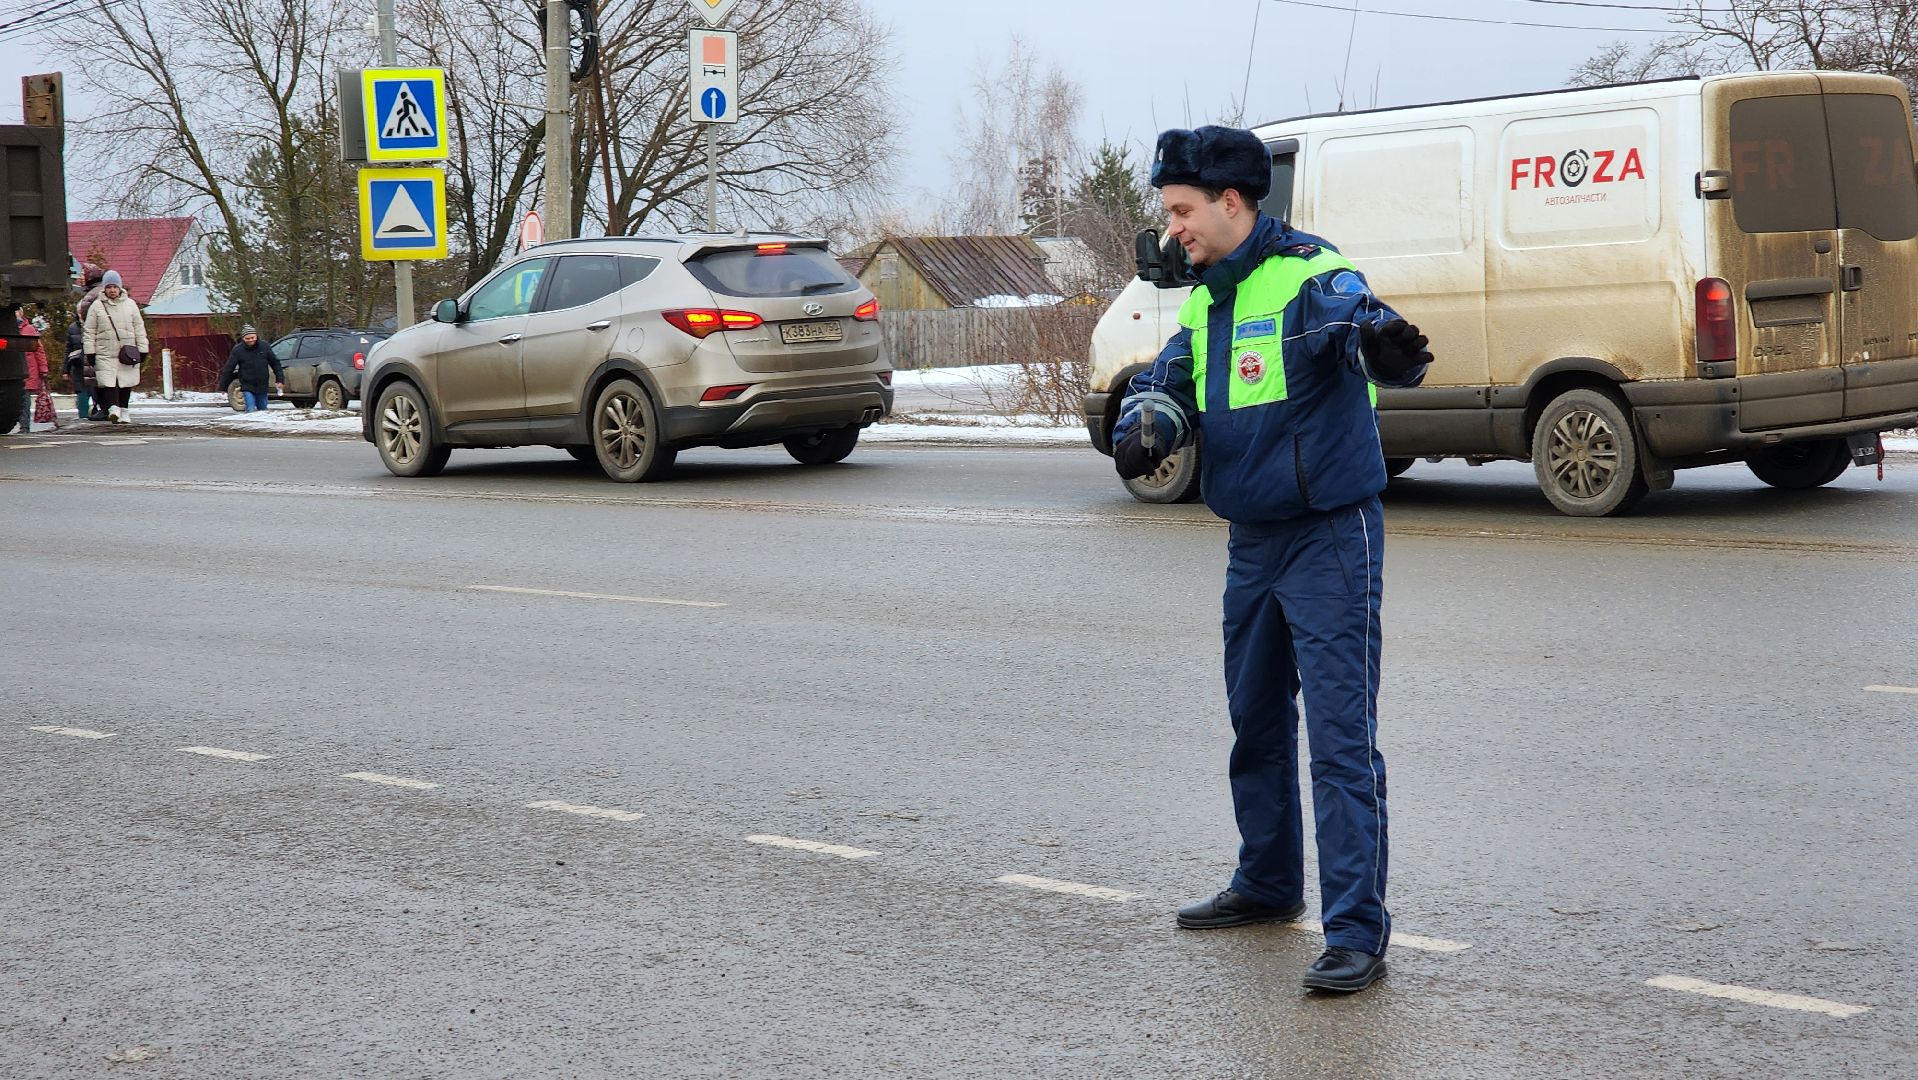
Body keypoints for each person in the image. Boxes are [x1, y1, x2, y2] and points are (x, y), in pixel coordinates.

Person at [1112, 126, 1433, 994]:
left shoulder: (1311, 274)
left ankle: (1357, 931)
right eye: (1168, 212)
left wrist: (1384, 349)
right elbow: (1164, 385)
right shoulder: (1207, 301)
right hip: (1251, 541)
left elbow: (1362, 327)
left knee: (1338, 742)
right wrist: (1142, 427)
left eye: (1182, 210)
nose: (1173, 226)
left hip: (1330, 534)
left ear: (1231, 201)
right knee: (1255, 722)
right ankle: (1266, 883)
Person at [82, 269, 148, 424]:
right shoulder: (97, 306)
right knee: (109, 382)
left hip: (126, 352)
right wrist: (90, 352)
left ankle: (124, 410)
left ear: (120, 288)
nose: (112, 290)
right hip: (105, 352)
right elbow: (89, 331)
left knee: (126, 382)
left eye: (115, 286)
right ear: (104, 288)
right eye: (109, 286)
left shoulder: (130, 305)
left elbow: (139, 328)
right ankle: (113, 409)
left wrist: (143, 348)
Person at [218, 325, 283, 412]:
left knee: (263, 410)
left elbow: (275, 364)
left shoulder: (264, 347)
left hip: (262, 384)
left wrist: (280, 380)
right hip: (247, 385)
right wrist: (223, 386)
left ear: (256, 336)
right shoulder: (238, 350)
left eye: (252, 337)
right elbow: (229, 368)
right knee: (250, 409)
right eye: (247, 338)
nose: (251, 340)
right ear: (243, 338)